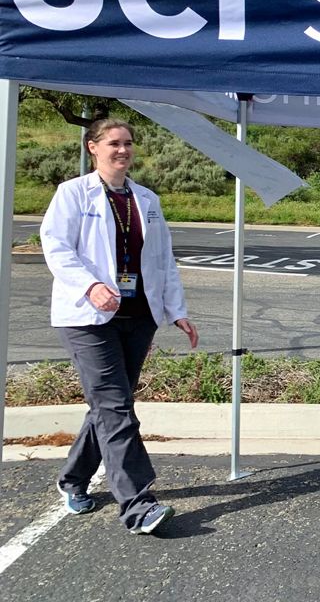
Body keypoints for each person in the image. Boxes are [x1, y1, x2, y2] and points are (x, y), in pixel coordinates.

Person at [40, 118, 199, 535]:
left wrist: (176, 310)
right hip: (88, 318)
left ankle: (73, 480)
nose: (123, 150)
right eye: (113, 143)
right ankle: (137, 504)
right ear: (93, 147)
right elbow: (55, 247)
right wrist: (90, 285)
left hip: (137, 316)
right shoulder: (73, 194)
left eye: (128, 143)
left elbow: (163, 260)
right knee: (116, 409)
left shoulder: (146, 198)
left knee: (111, 405)